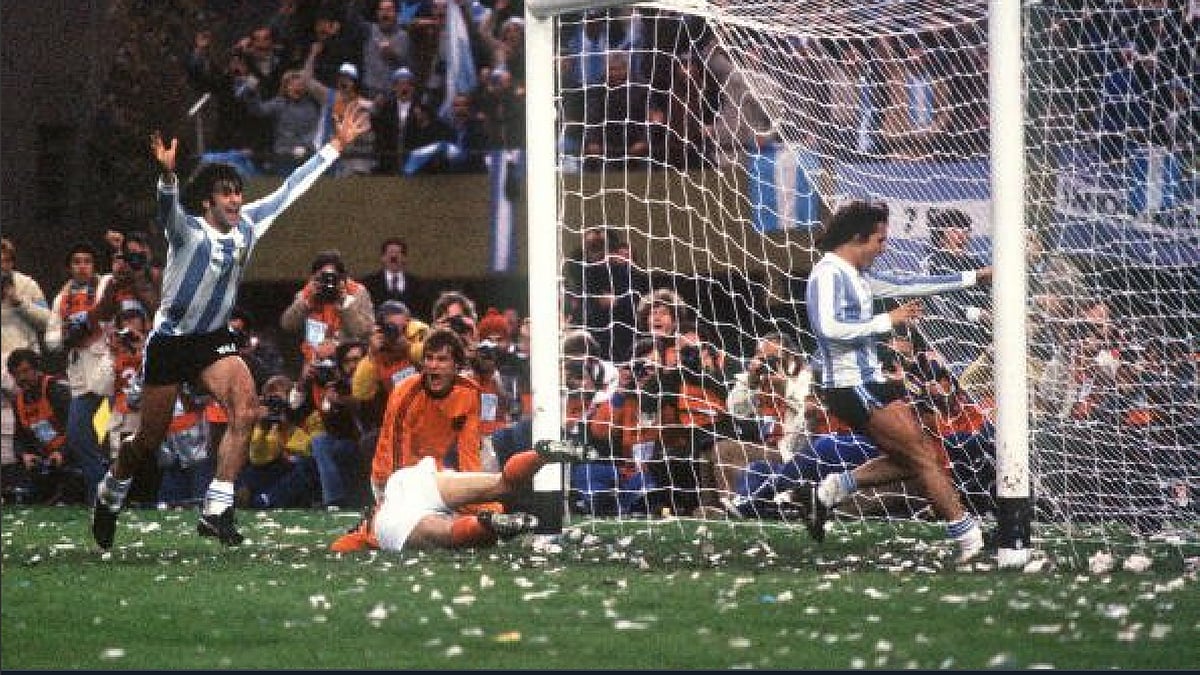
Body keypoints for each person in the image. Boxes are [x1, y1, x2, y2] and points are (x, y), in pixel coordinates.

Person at [90, 105, 370, 550]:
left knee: (246, 408)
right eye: (226, 193)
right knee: (147, 439)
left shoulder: (251, 224)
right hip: (171, 342)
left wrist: (336, 146)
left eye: (238, 192)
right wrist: (167, 176)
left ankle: (217, 508)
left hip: (213, 340)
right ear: (207, 202)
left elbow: (291, 188)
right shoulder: (188, 233)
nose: (236, 199)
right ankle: (110, 493)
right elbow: (167, 210)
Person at [798, 200, 992, 563]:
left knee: (915, 457)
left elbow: (913, 283)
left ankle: (832, 490)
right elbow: (828, 328)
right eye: (880, 240)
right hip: (849, 384)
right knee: (923, 456)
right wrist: (888, 320)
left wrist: (976, 276)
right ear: (859, 238)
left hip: (871, 380)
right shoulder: (828, 274)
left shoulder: (858, 277)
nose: (883, 248)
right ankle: (969, 539)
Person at [330, 440, 582, 554]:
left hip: (393, 524)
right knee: (501, 483)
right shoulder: (387, 495)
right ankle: (540, 456)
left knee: (450, 534)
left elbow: (339, 546)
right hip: (408, 480)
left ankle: (489, 524)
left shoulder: (370, 531)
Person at [368, 327, 484, 502]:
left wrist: (474, 494)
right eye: (429, 358)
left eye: (442, 359)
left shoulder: (470, 393)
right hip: (390, 477)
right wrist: (395, 496)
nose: (433, 365)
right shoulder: (405, 394)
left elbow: (470, 452)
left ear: (456, 366)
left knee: (481, 510)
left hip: (433, 472)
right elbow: (396, 457)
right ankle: (370, 521)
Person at [45, 242, 115, 507]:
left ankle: (106, 496)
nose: (82, 266)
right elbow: (50, 340)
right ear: (69, 267)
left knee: (117, 436)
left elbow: (116, 283)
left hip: (110, 364)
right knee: (77, 435)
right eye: (77, 261)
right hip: (79, 372)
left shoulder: (103, 285)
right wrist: (66, 333)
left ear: (94, 265)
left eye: (87, 261)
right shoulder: (61, 298)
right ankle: (101, 495)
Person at [7, 349, 78, 504]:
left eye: (25, 371)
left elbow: (76, 428)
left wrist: (61, 453)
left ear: (36, 369)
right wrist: (24, 455)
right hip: (43, 458)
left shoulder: (56, 390)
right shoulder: (17, 401)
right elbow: (19, 437)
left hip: (69, 454)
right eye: (16, 374)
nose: (22, 378)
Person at [359, 237, 425, 317]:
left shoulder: (417, 285)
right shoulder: (369, 284)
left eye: (397, 253)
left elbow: (422, 312)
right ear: (382, 257)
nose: (393, 256)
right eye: (390, 253)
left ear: (405, 258)